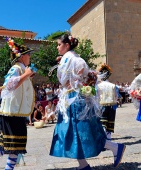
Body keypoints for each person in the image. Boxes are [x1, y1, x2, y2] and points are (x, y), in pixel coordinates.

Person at [49, 33, 126, 170]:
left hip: (75, 101)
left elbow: (80, 77)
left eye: (59, 44)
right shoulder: (70, 59)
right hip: (73, 99)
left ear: (67, 45)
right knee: (77, 132)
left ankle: (115, 148)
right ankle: (84, 164)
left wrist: (77, 82)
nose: (57, 47)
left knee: (82, 132)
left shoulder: (73, 59)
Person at [0, 37, 37, 170]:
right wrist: (25, 75)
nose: (30, 56)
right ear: (21, 57)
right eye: (28, 54)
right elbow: (8, 85)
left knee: (9, 143)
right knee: (14, 144)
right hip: (12, 113)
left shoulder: (22, 69)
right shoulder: (16, 68)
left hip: (16, 112)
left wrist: (27, 75)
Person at [97, 64, 119, 140]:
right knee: (110, 122)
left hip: (101, 105)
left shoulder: (98, 86)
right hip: (111, 106)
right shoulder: (113, 85)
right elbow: (116, 96)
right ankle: (108, 138)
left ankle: (103, 139)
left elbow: (96, 96)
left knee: (103, 122)